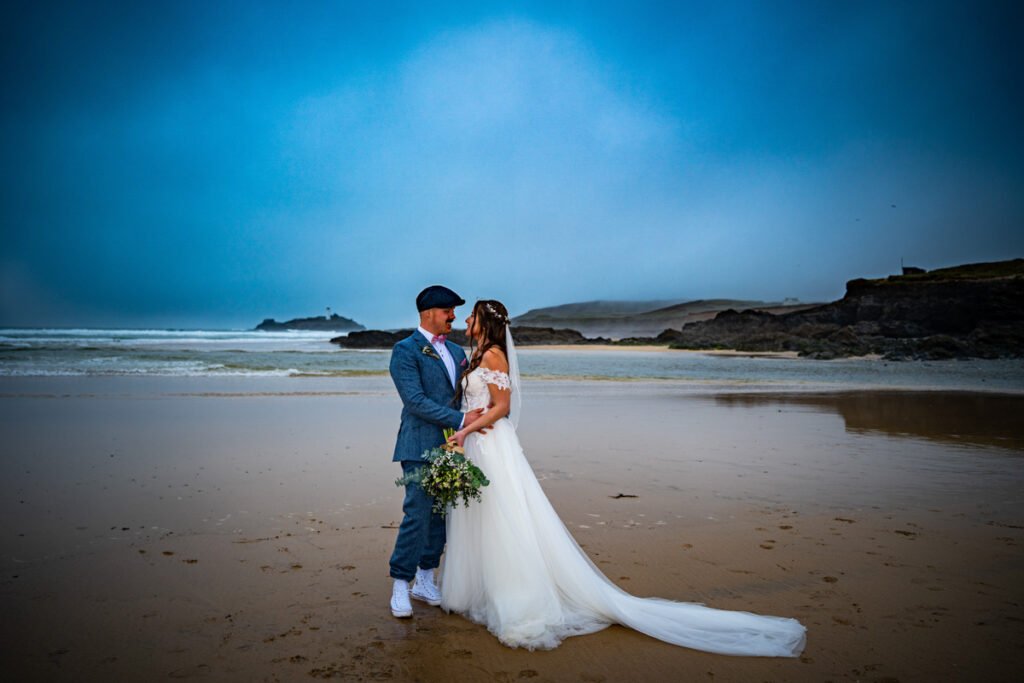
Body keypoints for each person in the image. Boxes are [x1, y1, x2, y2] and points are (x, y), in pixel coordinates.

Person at [439, 299, 807, 656]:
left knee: (505, 517)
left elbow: (502, 407)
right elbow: (482, 403)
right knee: (484, 514)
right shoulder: (477, 354)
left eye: (470, 316)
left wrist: (468, 429)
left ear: (484, 323)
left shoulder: (492, 355)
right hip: (479, 444)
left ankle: (516, 599)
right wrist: (468, 425)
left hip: (490, 445)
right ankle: (482, 591)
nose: (464, 322)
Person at [387, 285, 485, 618]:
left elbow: (468, 394)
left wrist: (485, 418)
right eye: (448, 311)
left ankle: (425, 579)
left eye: (455, 311)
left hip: (453, 445)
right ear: (430, 312)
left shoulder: (458, 352)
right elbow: (414, 401)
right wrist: (460, 419)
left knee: (441, 514)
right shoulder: (405, 350)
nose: (453, 317)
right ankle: (401, 582)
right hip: (417, 444)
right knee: (417, 513)